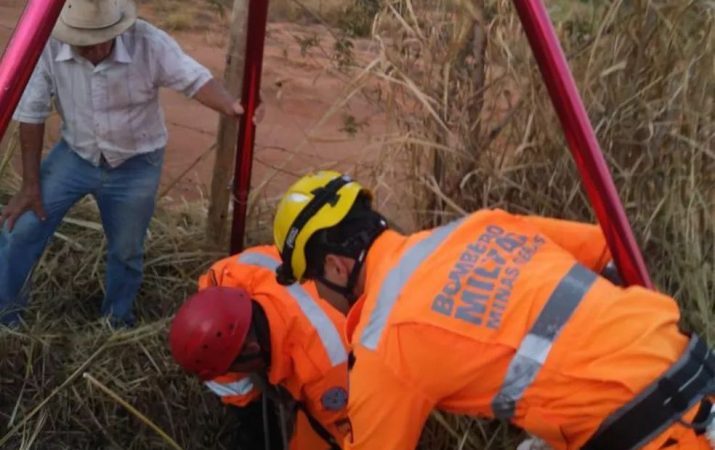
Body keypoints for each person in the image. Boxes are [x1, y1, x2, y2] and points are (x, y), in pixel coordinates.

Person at [271, 170, 715, 450]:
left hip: (657, 434)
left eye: (310, 281)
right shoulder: (479, 225)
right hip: (697, 374)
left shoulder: (384, 342)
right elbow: (608, 251)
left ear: (335, 265)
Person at [0, 0, 244, 327]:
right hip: (75, 155)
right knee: (21, 228)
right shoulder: (49, 47)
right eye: (85, 42)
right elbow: (31, 115)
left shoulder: (148, 43)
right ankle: (6, 318)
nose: (97, 47)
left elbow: (194, 79)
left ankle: (115, 322)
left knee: (127, 251)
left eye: (104, 37)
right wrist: (30, 186)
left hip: (136, 165)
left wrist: (232, 107)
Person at [169, 245, 350, 450]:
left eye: (233, 368)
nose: (231, 374)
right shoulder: (222, 280)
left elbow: (353, 436)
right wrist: (252, 421)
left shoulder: (325, 370)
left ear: (252, 349)